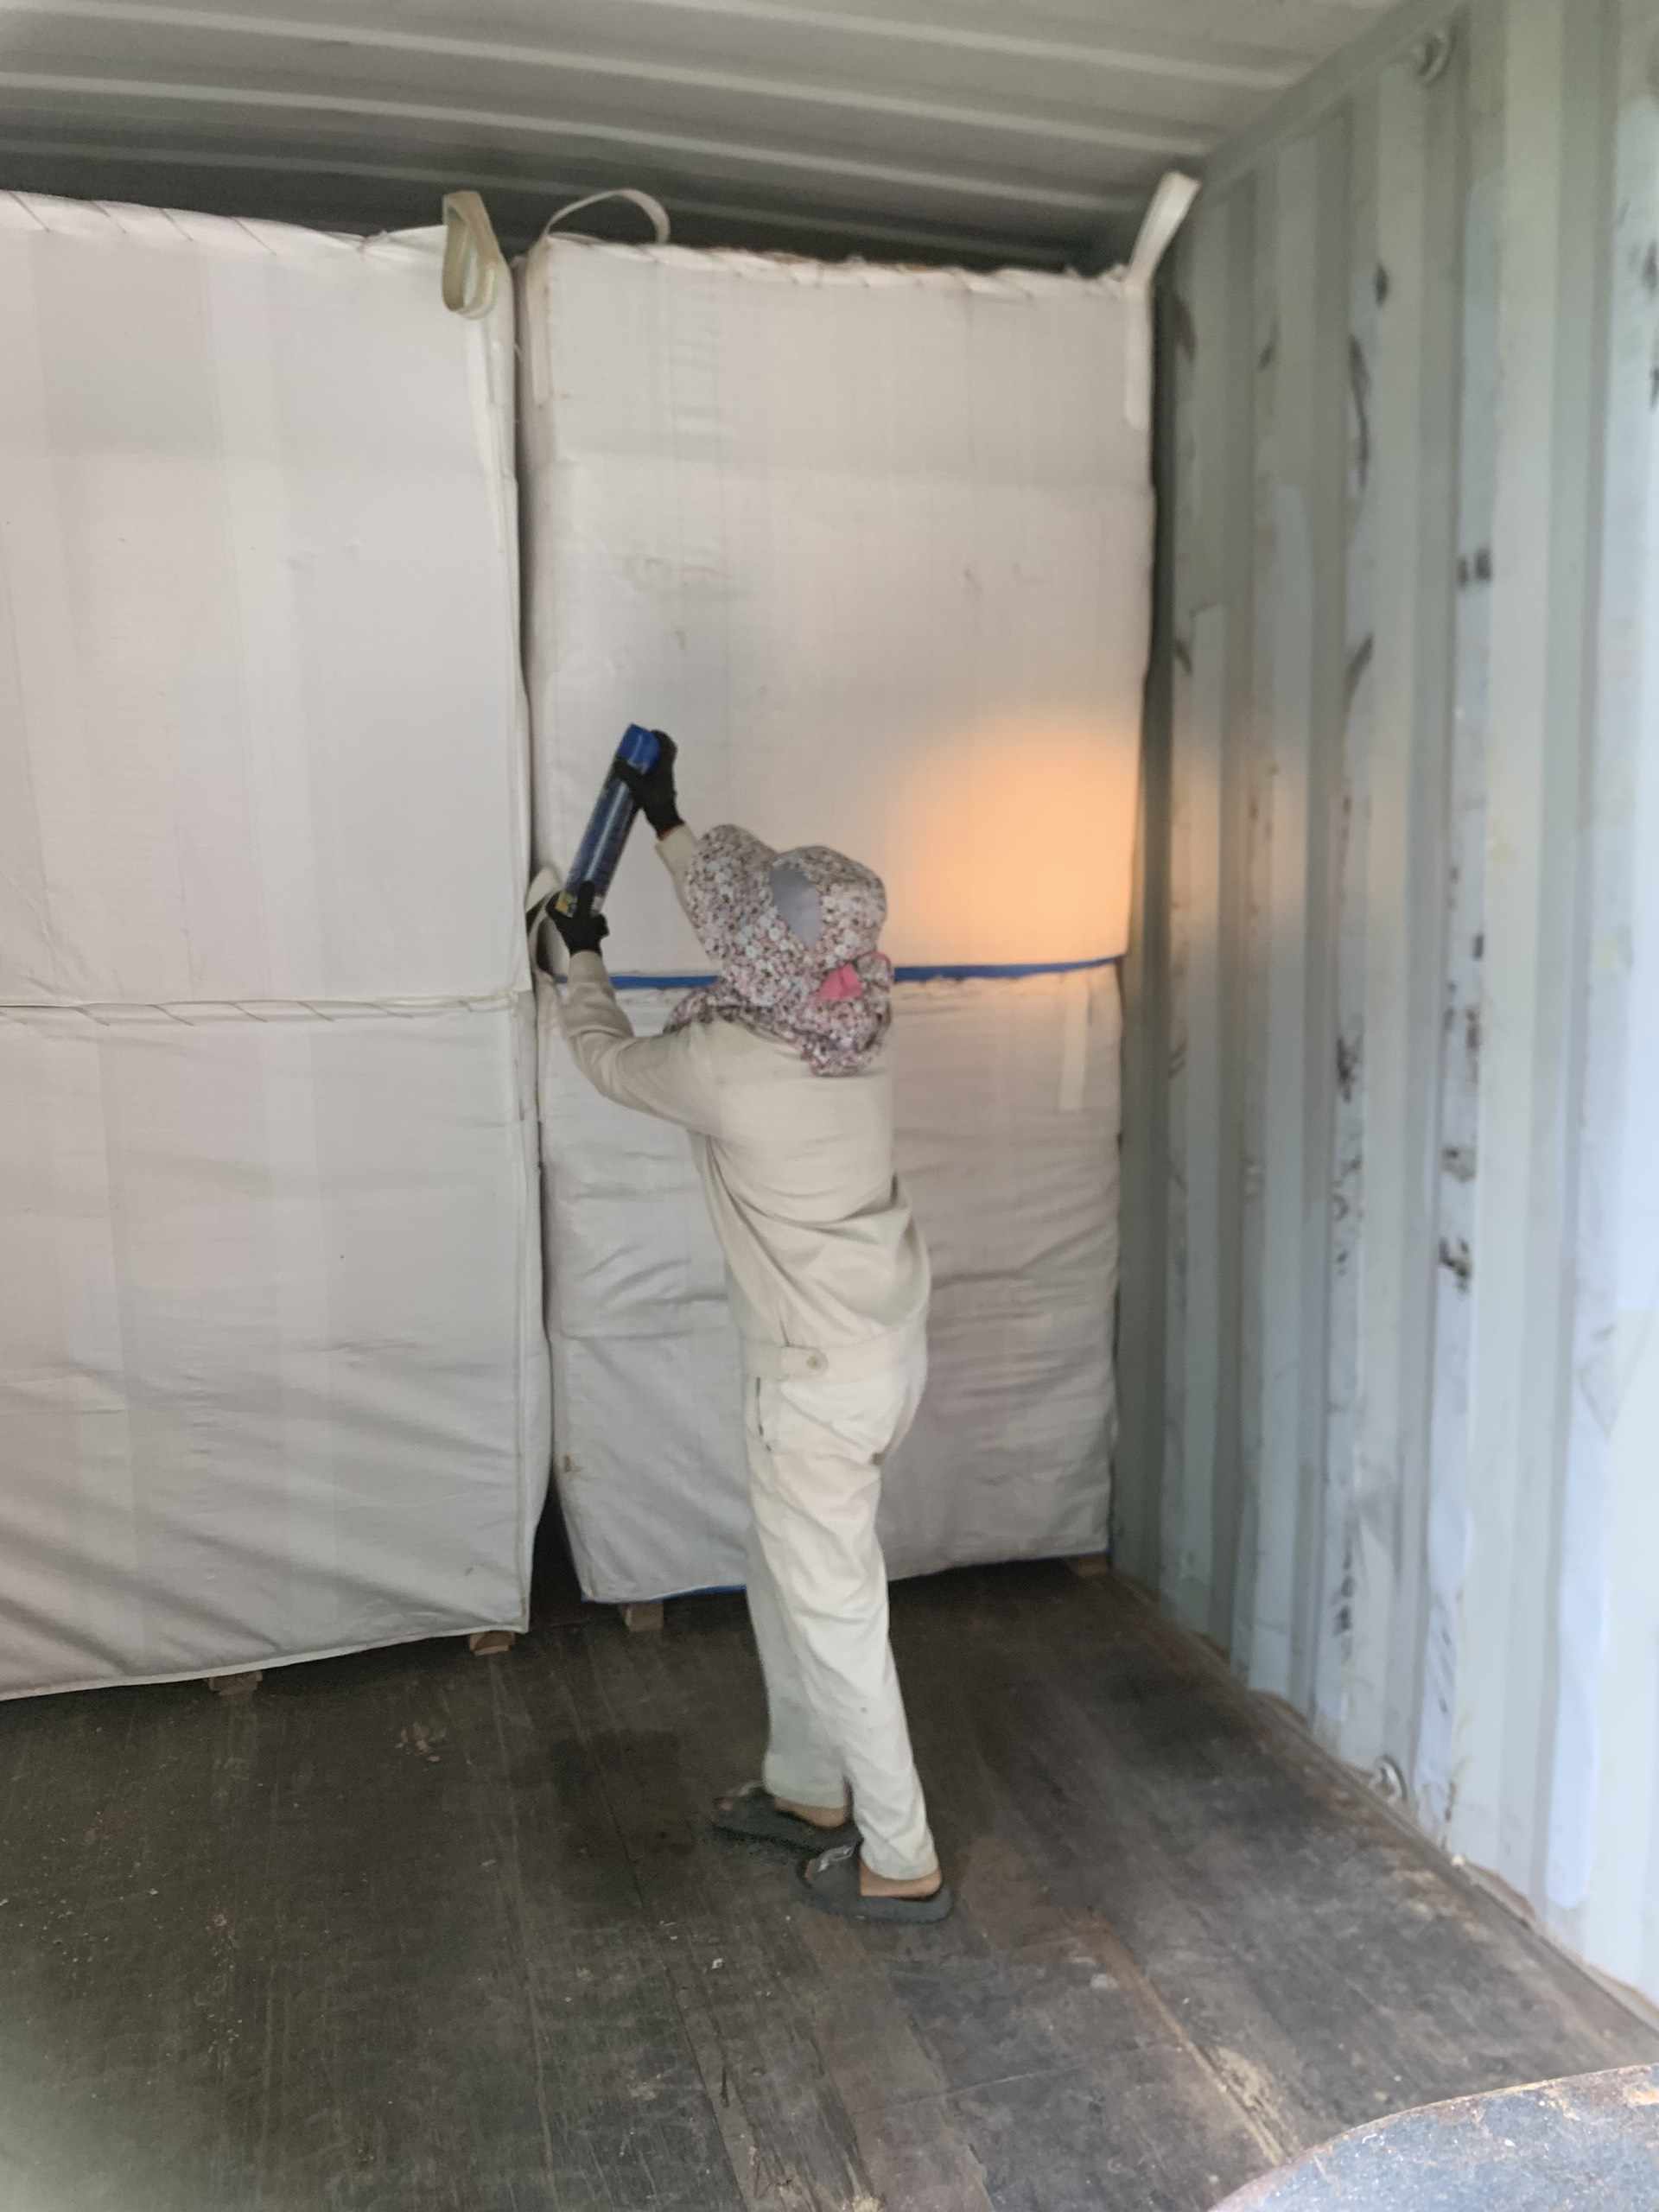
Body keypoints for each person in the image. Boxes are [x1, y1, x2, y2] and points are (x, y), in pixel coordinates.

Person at [547, 734, 950, 1925]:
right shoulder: (861, 1009)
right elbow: (752, 921)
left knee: (839, 1617)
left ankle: (903, 1856)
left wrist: (579, 959)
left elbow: (608, 1061)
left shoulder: (731, 1064)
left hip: (814, 1388)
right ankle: (808, 1787)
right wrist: (668, 822)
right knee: (792, 1574)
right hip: (881, 1354)